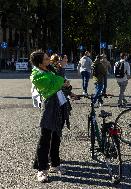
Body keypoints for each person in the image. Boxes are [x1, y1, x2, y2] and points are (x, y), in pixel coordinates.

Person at [30, 50, 70, 183]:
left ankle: (55, 163)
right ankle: (41, 169)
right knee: (45, 138)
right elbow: (52, 86)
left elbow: (60, 81)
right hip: (48, 108)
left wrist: (61, 70)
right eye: (46, 59)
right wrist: (60, 78)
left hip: (59, 104)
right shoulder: (36, 76)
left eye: (48, 58)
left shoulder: (49, 69)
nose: (49, 61)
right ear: (40, 63)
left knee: (57, 136)